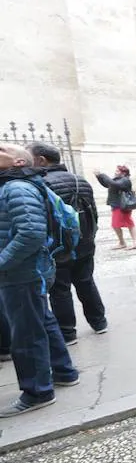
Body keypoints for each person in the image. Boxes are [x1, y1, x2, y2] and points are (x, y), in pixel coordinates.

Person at [0, 144, 79, 417]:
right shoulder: (15, 185)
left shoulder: (16, 188)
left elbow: (31, 235)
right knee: (41, 320)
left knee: (26, 333)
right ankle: (64, 372)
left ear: (20, 161)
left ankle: (38, 391)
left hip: (21, 273)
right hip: (25, 271)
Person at [29, 142, 107, 346]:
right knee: (86, 282)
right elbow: (94, 214)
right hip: (85, 243)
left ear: (41, 160)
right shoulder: (80, 180)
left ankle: (68, 333)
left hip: (59, 247)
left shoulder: (41, 184)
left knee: (60, 289)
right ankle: (99, 322)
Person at [95, 165, 136, 250]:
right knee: (125, 223)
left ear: (123, 173)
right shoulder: (118, 179)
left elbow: (113, 184)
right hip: (117, 204)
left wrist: (102, 174)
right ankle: (126, 242)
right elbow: (107, 184)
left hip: (122, 205)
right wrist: (98, 177)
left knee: (117, 224)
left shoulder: (125, 180)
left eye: (117, 171)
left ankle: (127, 242)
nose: (115, 172)